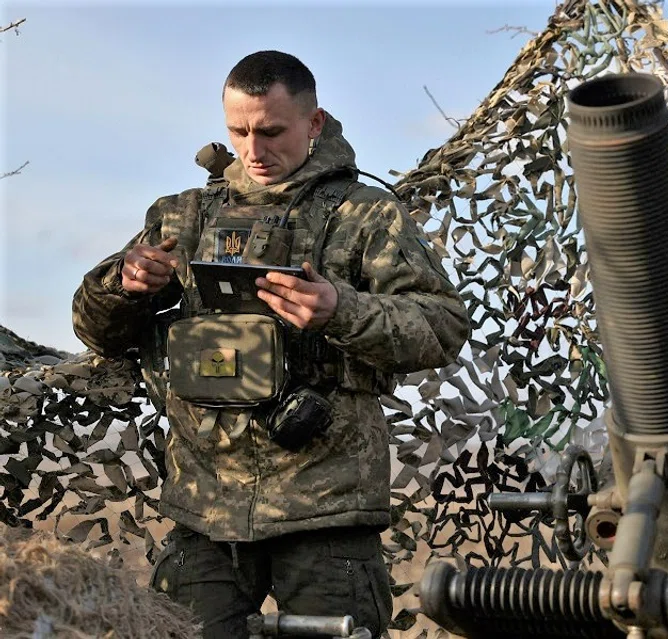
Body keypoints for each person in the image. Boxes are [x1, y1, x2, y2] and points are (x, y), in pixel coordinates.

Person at [72, 50, 470, 638]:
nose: (254, 151)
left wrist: (341, 309)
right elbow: (92, 328)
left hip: (326, 510)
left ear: (314, 124)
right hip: (204, 510)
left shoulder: (366, 215)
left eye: (271, 131)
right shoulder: (182, 216)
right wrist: (126, 286)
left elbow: (441, 327)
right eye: (239, 131)